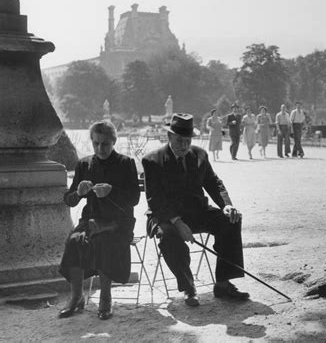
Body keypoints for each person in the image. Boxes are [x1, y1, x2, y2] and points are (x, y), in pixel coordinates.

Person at [142, 113, 249, 307]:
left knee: (232, 220)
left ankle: (223, 283)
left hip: (197, 211)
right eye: (179, 141)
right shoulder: (152, 160)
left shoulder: (200, 155)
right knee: (169, 236)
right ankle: (188, 286)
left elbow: (213, 182)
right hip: (165, 216)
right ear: (169, 137)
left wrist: (227, 205)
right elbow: (155, 200)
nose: (184, 146)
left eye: (187, 141)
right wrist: (177, 222)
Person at [59, 121, 140, 320]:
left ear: (113, 142)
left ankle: (105, 298)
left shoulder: (125, 163)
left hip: (118, 222)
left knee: (104, 242)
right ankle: (77, 297)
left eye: (105, 144)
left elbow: (134, 199)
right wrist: (78, 193)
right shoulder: (84, 164)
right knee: (74, 241)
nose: (99, 148)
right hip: (92, 219)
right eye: (96, 143)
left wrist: (112, 192)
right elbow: (69, 200)